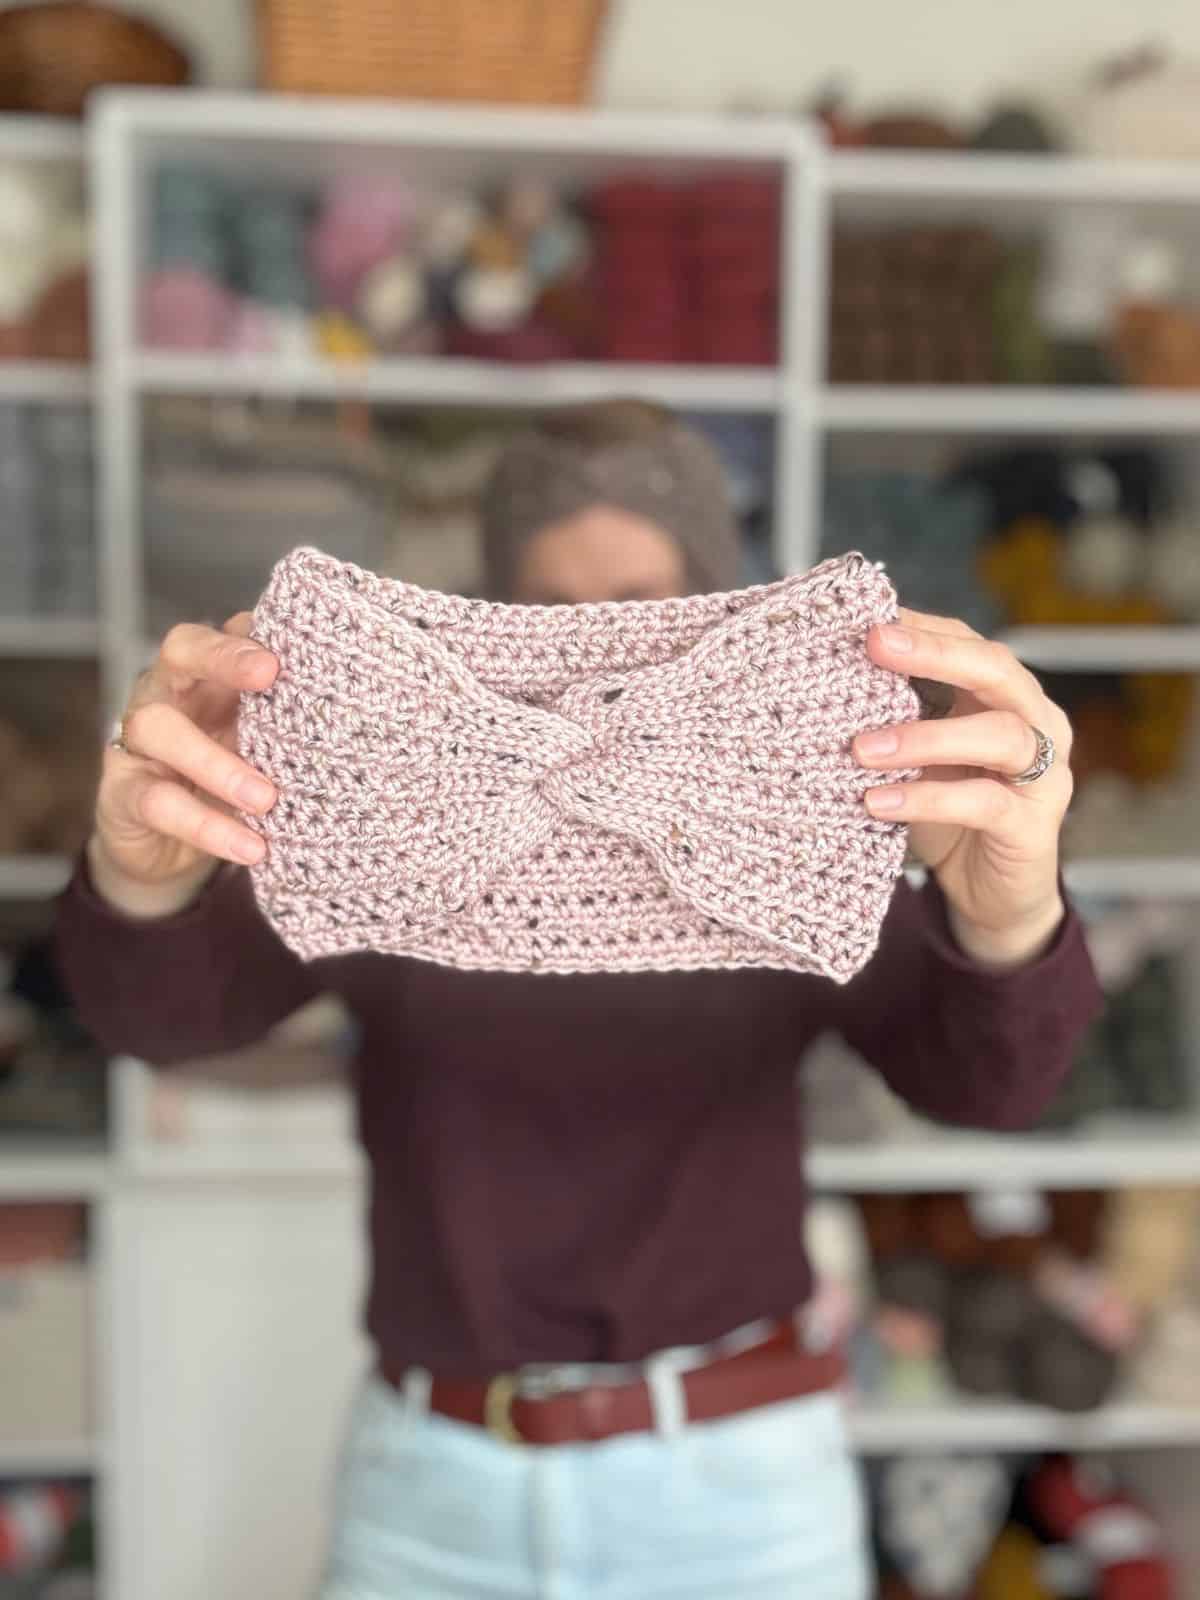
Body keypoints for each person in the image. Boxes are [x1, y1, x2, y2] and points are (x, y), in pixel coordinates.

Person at [57, 401, 1100, 1599]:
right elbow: (163, 1022)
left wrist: (1009, 915)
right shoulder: (393, 793)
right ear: (493, 614)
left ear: (711, 604)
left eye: (640, 611)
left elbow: (993, 1085)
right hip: (429, 1479)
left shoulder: (787, 821)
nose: (593, 666)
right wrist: (142, 877)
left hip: (742, 1486)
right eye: (553, 616)